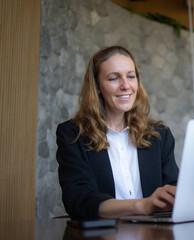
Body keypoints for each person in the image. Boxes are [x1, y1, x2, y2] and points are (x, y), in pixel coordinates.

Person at [56, 46, 179, 219]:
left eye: (131, 76)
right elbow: (79, 200)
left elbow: (174, 190)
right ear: (98, 86)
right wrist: (142, 205)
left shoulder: (159, 134)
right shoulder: (72, 134)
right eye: (114, 78)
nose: (125, 85)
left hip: (153, 234)